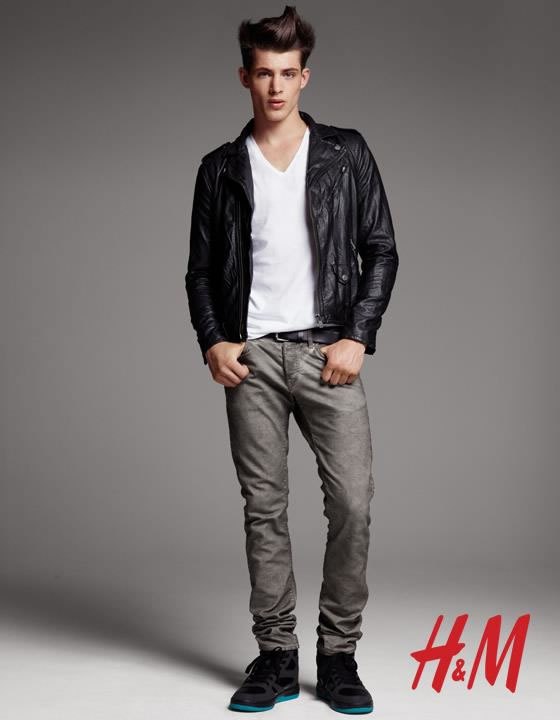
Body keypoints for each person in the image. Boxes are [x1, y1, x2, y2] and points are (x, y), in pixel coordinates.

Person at [185, 5, 398, 714]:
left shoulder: (345, 152)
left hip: (327, 350)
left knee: (353, 503)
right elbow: (201, 273)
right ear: (244, 77)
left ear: (305, 76)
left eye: (287, 73)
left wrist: (357, 334)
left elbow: (380, 250)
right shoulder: (219, 169)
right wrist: (213, 339)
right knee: (264, 510)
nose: (275, 86)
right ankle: (276, 655)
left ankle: (338, 656)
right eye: (263, 74)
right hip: (251, 358)